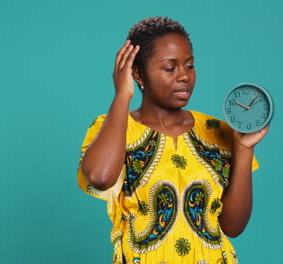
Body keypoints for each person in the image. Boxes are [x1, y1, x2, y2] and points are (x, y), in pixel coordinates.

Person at [77, 16, 269, 264]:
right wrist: (122, 94)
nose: (184, 76)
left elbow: (233, 227)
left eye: (189, 66)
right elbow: (100, 177)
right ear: (138, 73)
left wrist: (243, 148)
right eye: (170, 68)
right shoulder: (111, 127)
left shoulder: (217, 130)